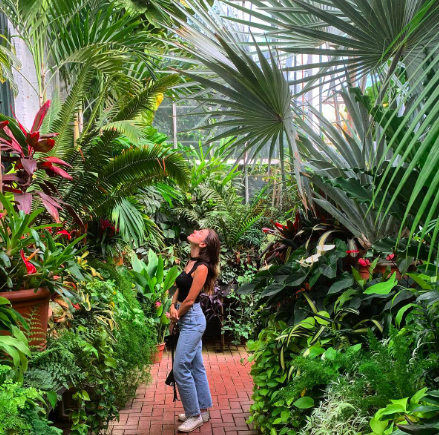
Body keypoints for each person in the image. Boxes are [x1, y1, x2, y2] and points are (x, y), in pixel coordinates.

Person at [168, 228, 221, 433]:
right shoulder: (190, 261)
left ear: (204, 244)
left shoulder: (203, 268)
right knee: (196, 366)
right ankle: (203, 410)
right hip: (184, 316)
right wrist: (172, 307)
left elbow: (190, 299)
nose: (195, 230)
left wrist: (176, 315)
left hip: (192, 320)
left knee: (181, 367)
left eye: (201, 232)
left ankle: (194, 415)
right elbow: (177, 287)